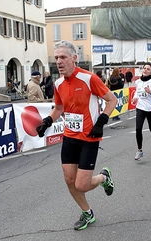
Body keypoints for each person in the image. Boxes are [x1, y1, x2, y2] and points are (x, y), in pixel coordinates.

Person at [35, 40, 118, 231]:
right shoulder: (58, 83)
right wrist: (47, 121)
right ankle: (87, 213)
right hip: (70, 138)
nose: (59, 61)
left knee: (81, 184)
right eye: (56, 58)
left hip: (89, 138)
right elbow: (59, 108)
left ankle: (104, 178)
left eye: (63, 57)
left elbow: (112, 100)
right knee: (69, 180)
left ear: (74, 58)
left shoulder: (89, 79)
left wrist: (101, 122)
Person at [131, 63, 151, 160]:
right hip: (140, 108)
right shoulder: (138, 82)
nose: (145, 70)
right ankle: (140, 150)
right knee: (138, 129)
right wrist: (135, 98)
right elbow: (137, 92)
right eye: (144, 68)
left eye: (148, 69)